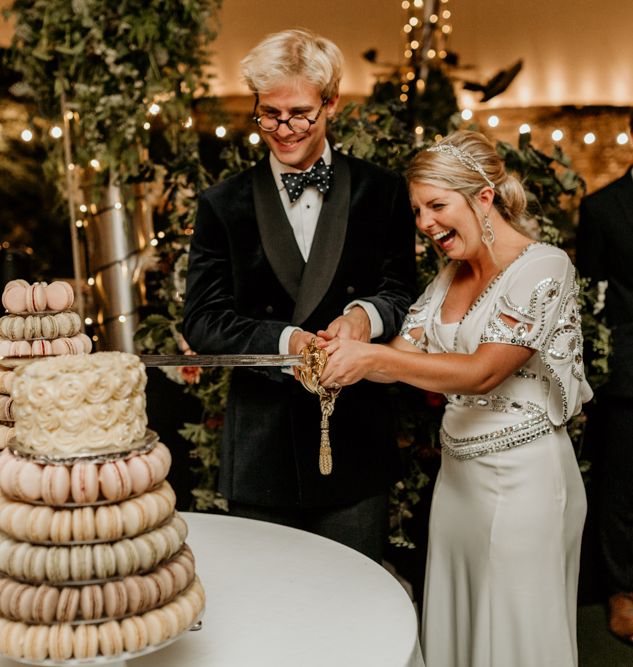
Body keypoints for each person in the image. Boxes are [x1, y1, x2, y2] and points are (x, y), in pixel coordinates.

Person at [318, 130, 592, 666]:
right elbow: (401, 355)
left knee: (515, 636)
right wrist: (343, 350)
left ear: (484, 197)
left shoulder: (544, 267)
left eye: (437, 205)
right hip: (458, 483)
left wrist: (374, 359)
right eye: (419, 210)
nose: (425, 224)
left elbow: (484, 371)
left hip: (526, 485)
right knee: (459, 628)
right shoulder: (450, 275)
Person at [182, 28, 417, 562]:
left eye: (300, 114)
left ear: (331, 103)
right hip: (262, 445)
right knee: (267, 607)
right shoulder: (222, 204)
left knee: (356, 602)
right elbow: (202, 319)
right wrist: (286, 342)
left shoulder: (381, 191)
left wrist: (365, 317)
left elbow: (404, 290)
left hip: (355, 438)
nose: (283, 129)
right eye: (269, 114)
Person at [576, 110, 633, 643]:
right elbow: (589, 299)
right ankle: (622, 591)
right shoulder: (600, 208)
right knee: (622, 485)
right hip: (627, 375)